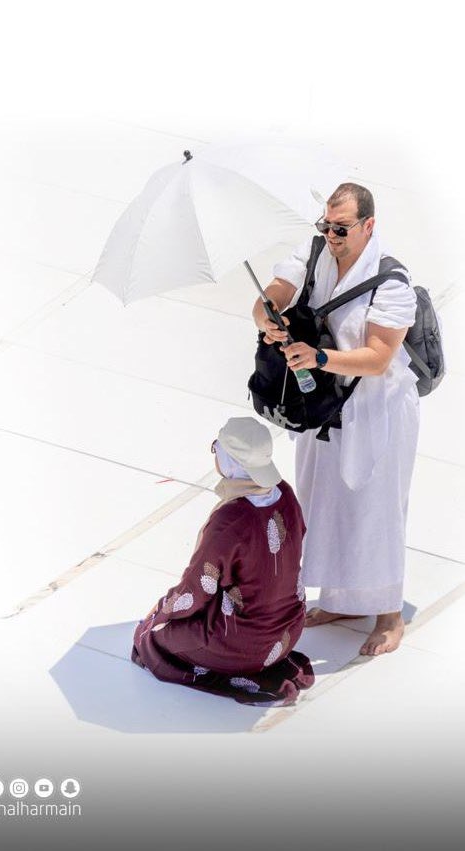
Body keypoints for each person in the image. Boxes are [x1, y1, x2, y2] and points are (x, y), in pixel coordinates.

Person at [252, 183, 419, 656]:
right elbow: (278, 290)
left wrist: (319, 358)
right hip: (325, 404)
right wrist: (266, 314)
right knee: (324, 499)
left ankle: (388, 615)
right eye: (326, 225)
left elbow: (378, 358)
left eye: (341, 228)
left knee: (377, 507)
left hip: (377, 408)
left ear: (368, 225)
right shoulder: (314, 252)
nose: (331, 235)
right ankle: (343, 599)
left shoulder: (391, 283)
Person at [132, 416, 314, 706]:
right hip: (288, 631)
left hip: (242, 644)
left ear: (230, 461)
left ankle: (234, 666)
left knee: (150, 638)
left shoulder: (230, 521)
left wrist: (162, 610)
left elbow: (194, 591)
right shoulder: (286, 495)